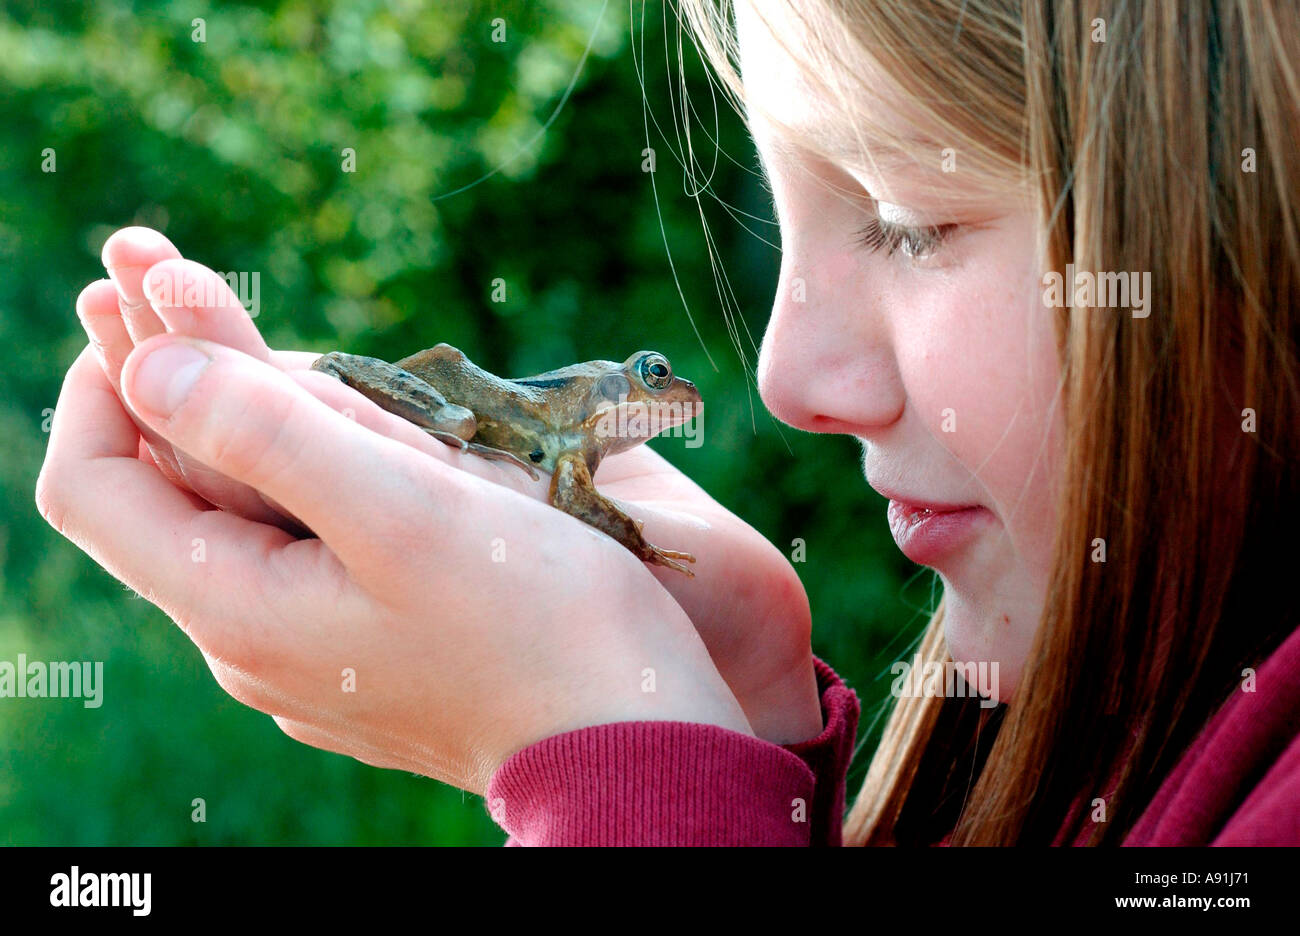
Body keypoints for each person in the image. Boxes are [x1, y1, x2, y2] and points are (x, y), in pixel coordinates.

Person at [37, 0, 1299, 845]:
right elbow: (511, 435)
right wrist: (741, 723)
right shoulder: (1101, 735)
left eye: (911, 220)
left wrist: (611, 756)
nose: (789, 380)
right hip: (488, 411)